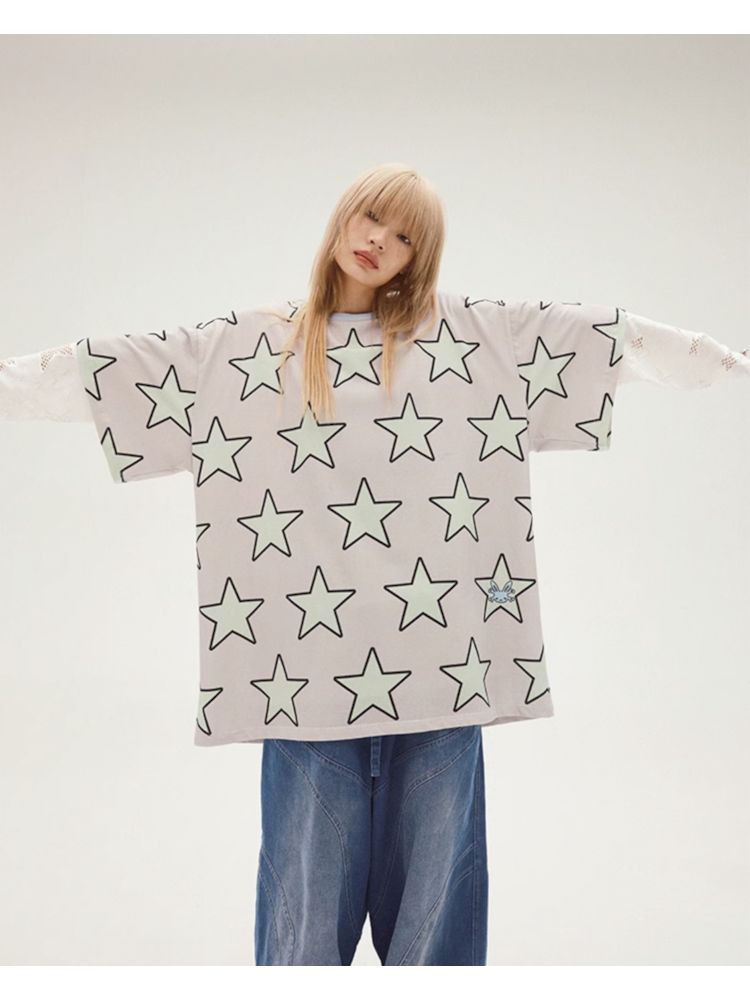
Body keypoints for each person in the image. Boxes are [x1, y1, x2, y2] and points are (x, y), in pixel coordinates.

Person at [1, 163, 748, 966]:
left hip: (442, 685)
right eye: (371, 217)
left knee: (436, 943)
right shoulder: (244, 348)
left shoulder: (476, 340)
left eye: (404, 238)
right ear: (342, 216)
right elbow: (99, 373)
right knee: (303, 940)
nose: (378, 242)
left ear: (419, 258)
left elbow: (610, 338)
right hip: (305, 693)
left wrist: (723, 362)